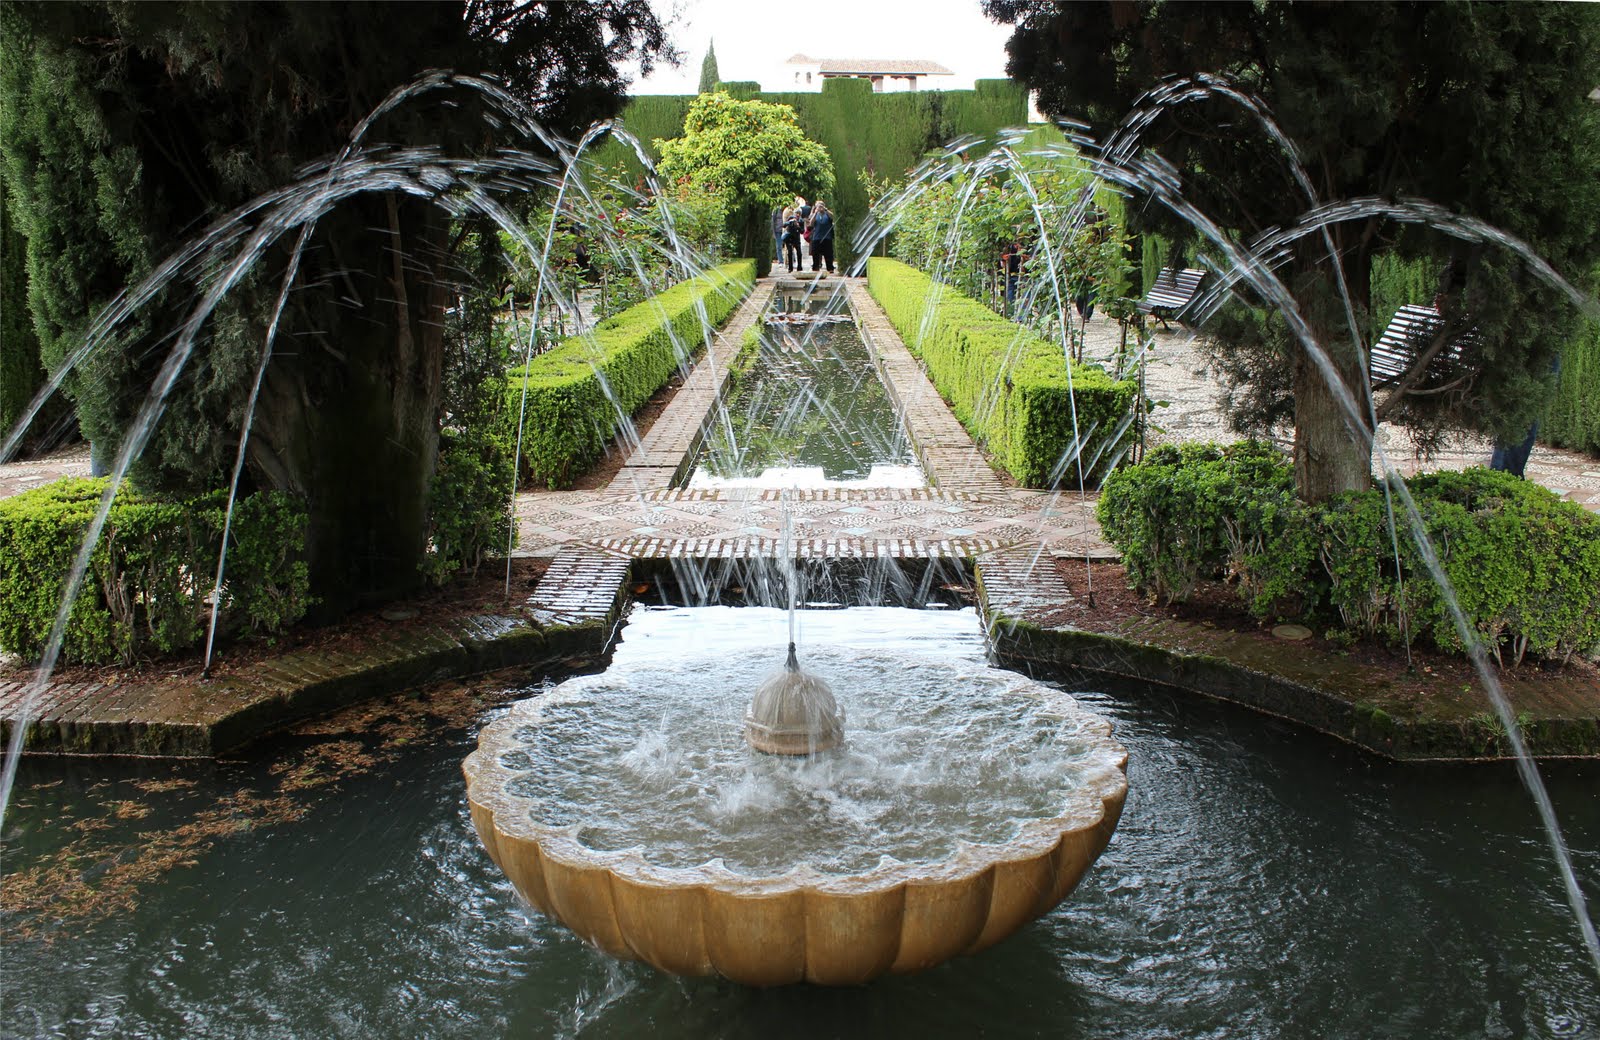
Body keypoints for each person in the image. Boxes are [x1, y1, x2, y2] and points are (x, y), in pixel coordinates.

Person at [808, 200, 836, 275]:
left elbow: (833, 217)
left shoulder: (827, 214)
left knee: (828, 254)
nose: (820, 208)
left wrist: (826, 209)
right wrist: (815, 212)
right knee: (815, 253)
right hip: (817, 237)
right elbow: (811, 223)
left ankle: (830, 268)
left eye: (821, 206)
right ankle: (816, 267)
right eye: (818, 206)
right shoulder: (815, 214)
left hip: (827, 237)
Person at [1001, 240, 1024, 314]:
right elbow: (1002, 264)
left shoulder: (1026, 245)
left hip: (1023, 276)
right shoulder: (1008, 248)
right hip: (1010, 277)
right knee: (1010, 297)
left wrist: (1023, 256)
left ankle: (1021, 317)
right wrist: (1004, 259)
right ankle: (1011, 314)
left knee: (1023, 298)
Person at [780, 206, 803, 273]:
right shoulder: (791, 218)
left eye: (799, 213)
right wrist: (790, 222)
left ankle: (799, 267)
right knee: (790, 253)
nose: (798, 215)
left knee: (799, 253)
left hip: (796, 238)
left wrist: (798, 226)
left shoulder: (801, 221)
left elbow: (802, 231)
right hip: (789, 238)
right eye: (796, 213)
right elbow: (784, 225)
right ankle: (790, 268)